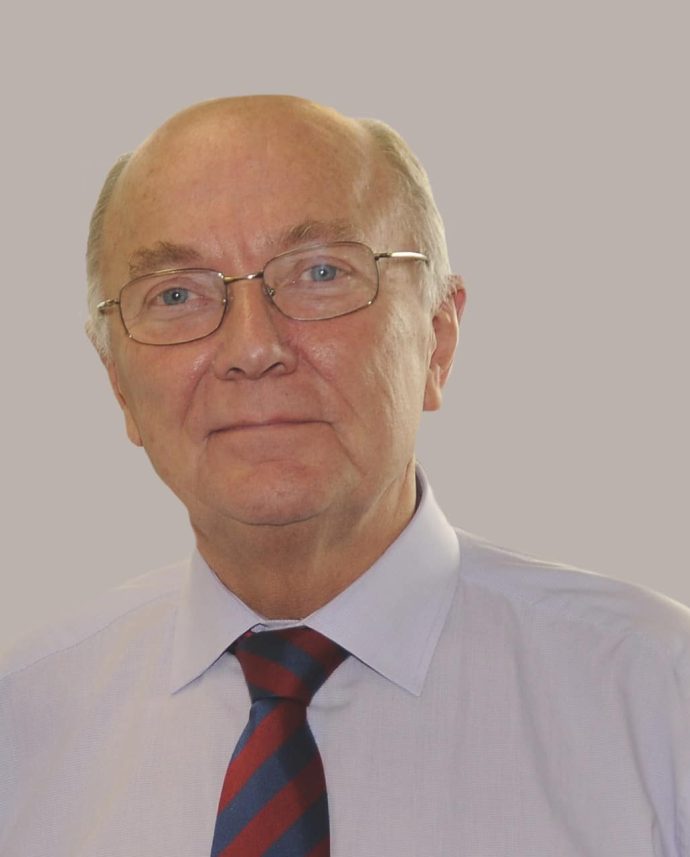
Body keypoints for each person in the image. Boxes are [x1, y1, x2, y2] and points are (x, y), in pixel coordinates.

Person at [1, 95, 688, 857]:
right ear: (119, 386)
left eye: (320, 272)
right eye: (176, 294)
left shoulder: (661, 699)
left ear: (437, 337)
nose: (252, 348)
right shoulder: (21, 726)